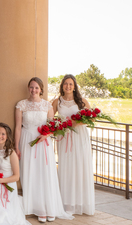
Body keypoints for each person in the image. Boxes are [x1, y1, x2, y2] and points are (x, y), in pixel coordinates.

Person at [14, 77, 73, 223]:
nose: (33, 90)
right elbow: (17, 127)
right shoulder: (21, 105)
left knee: (44, 173)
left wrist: (46, 135)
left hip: (42, 142)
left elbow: (53, 127)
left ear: (41, 90)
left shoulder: (47, 105)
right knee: (30, 173)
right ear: (28, 88)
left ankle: (49, 207)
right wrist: (16, 147)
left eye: (36, 88)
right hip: (27, 141)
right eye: (31, 87)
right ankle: (37, 208)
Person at [52, 74, 95, 215]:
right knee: (66, 168)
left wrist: (74, 123)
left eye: (71, 84)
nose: (68, 86)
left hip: (79, 138)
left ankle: (81, 203)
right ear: (62, 86)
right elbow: (50, 120)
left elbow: (92, 120)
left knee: (80, 168)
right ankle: (67, 204)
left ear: (75, 86)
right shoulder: (57, 101)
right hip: (64, 139)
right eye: (66, 84)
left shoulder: (82, 101)